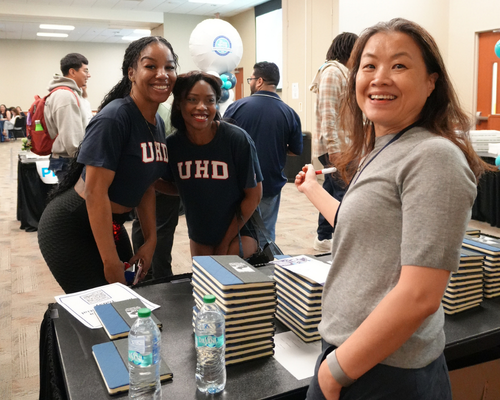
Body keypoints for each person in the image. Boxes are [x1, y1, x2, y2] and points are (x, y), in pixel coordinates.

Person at [296, 18, 495, 400]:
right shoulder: (386, 147)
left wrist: (333, 375)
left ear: (431, 81)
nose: (380, 78)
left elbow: (420, 296)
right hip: (356, 358)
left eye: (399, 65)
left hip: (385, 373)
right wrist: (313, 191)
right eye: (369, 65)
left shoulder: (433, 156)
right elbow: (364, 228)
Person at [37, 36, 178, 294]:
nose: (162, 74)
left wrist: (150, 240)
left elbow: (145, 185)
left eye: (169, 67)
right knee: (103, 305)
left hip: (110, 223)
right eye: (150, 66)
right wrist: (109, 260)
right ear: (131, 73)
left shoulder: (155, 123)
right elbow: (94, 192)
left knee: (128, 295)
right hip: (71, 226)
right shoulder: (115, 117)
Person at [157, 71, 263, 258]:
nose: (201, 107)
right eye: (192, 99)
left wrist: (224, 243)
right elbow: (177, 185)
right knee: (204, 283)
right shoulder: (173, 145)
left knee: (229, 280)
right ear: (180, 104)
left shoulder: (236, 140)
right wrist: (145, 179)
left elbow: (254, 196)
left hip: (239, 233)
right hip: (200, 234)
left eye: (209, 100)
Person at [224, 62, 302, 247]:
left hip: (238, 185)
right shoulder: (289, 114)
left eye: (251, 79)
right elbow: (296, 150)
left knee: (233, 232)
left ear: (259, 81)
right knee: (265, 235)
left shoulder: (237, 107)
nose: (250, 82)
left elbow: (222, 142)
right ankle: (265, 270)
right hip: (270, 185)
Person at [309, 32, 358, 252]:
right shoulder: (332, 73)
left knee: (331, 190)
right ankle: (342, 242)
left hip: (343, 145)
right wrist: (334, 148)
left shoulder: (341, 74)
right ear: (349, 51)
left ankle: (324, 238)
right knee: (344, 195)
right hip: (337, 147)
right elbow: (327, 114)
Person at [132, 101, 181, 279]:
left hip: (146, 179)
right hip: (160, 179)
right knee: (161, 229)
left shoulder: (135, 108)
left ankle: (144, 272)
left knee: (142, 224)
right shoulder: (164, 110)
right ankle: (160, 276)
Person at [44, 53, 91, 180]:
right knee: (73, 200)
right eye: (85, 70)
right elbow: (71, 138)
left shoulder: (69, 93)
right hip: (69, 161)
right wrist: (83, 161)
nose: (89, 75)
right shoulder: (65, 96)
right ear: (72, 72)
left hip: (68, 160)